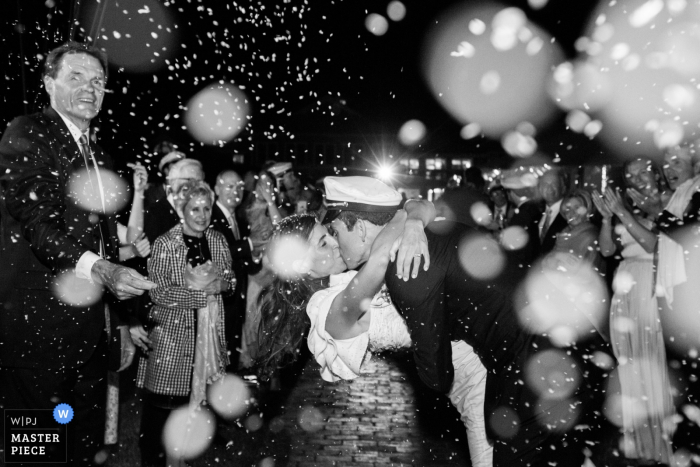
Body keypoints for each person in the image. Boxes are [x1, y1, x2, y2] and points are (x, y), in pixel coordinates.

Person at [323, 176, 612, 467]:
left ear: (359, 228)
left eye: (335, 232)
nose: (335, 243)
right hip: (564, 341)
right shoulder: (426, 231)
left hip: (540, 363)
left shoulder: (406, 264)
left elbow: (437, 376)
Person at [0, 41, 155, 465]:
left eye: (98, 81)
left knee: (85, 449)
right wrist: (103, 270)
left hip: (88, 337)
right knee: (39, 454)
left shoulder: (100, 157)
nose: (90, 87)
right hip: (37, 334)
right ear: (49, 84)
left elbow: (103, 245)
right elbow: (37, 223)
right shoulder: (28, 132)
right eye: (76, 76)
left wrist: (119, 321)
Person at [257, 188, 493, 466]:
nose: (335, 244)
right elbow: (382, 257)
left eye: (331, 235)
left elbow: (424, 206)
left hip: (482, 355)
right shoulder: (326, 311)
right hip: (470, 381)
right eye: (323, 243)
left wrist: (414, 221)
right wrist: (404, 216)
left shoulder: (349, 276)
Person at [137, 180, 234, 467]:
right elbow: (157, 290)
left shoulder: (217, 240)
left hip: (207, 342)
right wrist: (200, 295)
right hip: (171, 342)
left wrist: (223, 285)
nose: (202, 215)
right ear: (182, 209)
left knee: (190, 418)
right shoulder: (166, 243)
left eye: (206, 208)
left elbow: (230, 280)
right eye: (194, 208)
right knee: (160, 416)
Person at [592, 158, 674, 465]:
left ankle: (660, 444)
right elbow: (607, 251)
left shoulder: (668, 204)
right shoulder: (628, 208)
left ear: (656, 174)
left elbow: (654, 245)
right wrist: (605, 219)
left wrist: (623, 214)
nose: (636, 178)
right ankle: (639, 441)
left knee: (649, 360)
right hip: (623, 291)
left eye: (642, 172)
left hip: (647, 289)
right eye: (630, 175)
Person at [210, 169, 266, 371]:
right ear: (217, 189)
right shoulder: (210, 216)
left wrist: (257, 253)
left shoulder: (241, 221)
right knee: (217, 352)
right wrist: (249, 244)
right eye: (230, 186)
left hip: (237, 297)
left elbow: (249, 265)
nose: (235, 191)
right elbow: (218, 252)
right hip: (219, 298)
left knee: (231, 351)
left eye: (240, 187)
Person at [537, 168, 569, 256]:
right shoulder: (535, 214)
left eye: (554, 184)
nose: (549, 188)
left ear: (563, 188)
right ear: (539, 189)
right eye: (545, 184)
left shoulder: (570, 214)